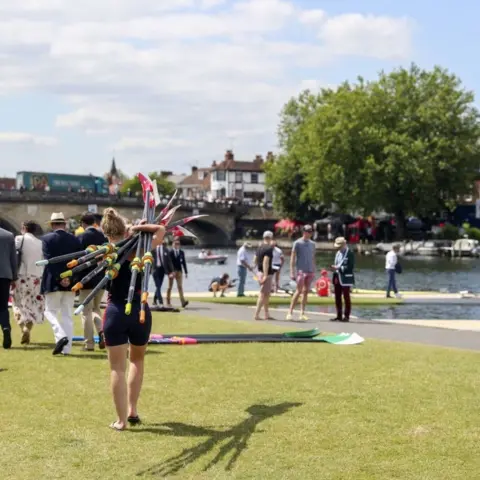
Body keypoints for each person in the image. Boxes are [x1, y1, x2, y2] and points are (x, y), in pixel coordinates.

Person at [100, 208, 165, 431]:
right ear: (125, 229)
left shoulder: (105, 252)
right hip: (140, 309)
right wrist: (137, 229)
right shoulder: (141, 247)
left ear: (106, 233)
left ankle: (122, 421)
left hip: (116, 310)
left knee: (116, 367)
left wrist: (129, 231)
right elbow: (160, 229)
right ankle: (132, 410)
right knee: (137, 360)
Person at [40, 212, 82, 355]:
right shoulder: (74, 240)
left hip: (53, 280)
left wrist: (59, 277)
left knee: (49, 311)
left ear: (52, 225)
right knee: (67, 315)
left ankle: (60, 336)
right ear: (64, 224)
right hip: (70, 281)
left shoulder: (46, 239)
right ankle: (67, 349)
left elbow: (49, 261)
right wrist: (69, 278)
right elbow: (78, 260)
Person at [77, 212, 108, 351]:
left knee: (86, 311)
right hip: (101, 277)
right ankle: (102, 332)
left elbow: (78, 260)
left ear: (83, 224)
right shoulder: (102, 236)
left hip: (86, 278)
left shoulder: (81, 237)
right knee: (96, 308)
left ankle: (89, 344)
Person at [12, 220, 45, 345]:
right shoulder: (40, 243)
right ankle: (28, 329)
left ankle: (23, 327)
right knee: (33, 305)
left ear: (24, 228)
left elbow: (13, 255)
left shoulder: (19, 239)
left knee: (18, 303)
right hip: (37, 276)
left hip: (21, 276)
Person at [286, 225, 316, 321]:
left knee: (306, 292)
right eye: (307, 231)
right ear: (303, 232)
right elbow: (292, 258)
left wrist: (314, 269)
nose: (309, 233)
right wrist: (291, 271)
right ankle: (290, 312)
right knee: (298, 291)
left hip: (310, 270)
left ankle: (302, 313)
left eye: (310, 231)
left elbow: (313, 257)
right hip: (301, 271)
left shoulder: (312, 244)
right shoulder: (297, 243)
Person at [0, 226, 17, 349]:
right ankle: (6, 327)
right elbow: (13, 258)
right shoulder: (8, 235)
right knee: (3, 306)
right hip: (5, 275)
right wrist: (14, 277)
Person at [330, 237, 355, 322]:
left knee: (346, 297)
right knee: (337, 296)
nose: (338, 248)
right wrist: (334, 268)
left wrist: (339, 268)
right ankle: (339, 315)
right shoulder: (338, 253)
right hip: (337, 276)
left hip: (346, 278)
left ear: (344, 244)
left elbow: (350, 267)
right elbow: (336, 264)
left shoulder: (350, 253)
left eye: (339, 246)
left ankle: (346, 316)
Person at [253, 231, 274, 320]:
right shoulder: (269, 248)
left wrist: (257, 272)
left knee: (266, 294)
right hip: (266, 274)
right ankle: (256, 314)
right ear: (270, 238)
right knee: (263, 294)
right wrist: (265, 275)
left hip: (259, 272)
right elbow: (266, 261)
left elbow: (254, 260)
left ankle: (266, 314)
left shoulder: (259, 247)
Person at [166, 237, 189, 308]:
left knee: (180, 287)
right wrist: (169, 272)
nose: (177, 245)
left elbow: (184, 263)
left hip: (179, 271)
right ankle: (168, 301)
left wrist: (186, 272)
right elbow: (168, 263)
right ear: (173, 244)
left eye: (178, 244)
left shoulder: (181, 252)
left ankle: (183, 302)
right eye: (175, 244)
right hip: (172, 272)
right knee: (170, 287)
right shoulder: (170, 252)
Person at [152, 240, 174, 306]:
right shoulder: (153, 249)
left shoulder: (165, 249)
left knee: (159, 286)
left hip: (162, 270)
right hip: (155, 270)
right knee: (158, 285)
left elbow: (169, 261)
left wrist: (172, 271)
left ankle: (154, 300)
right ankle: (160, 301)